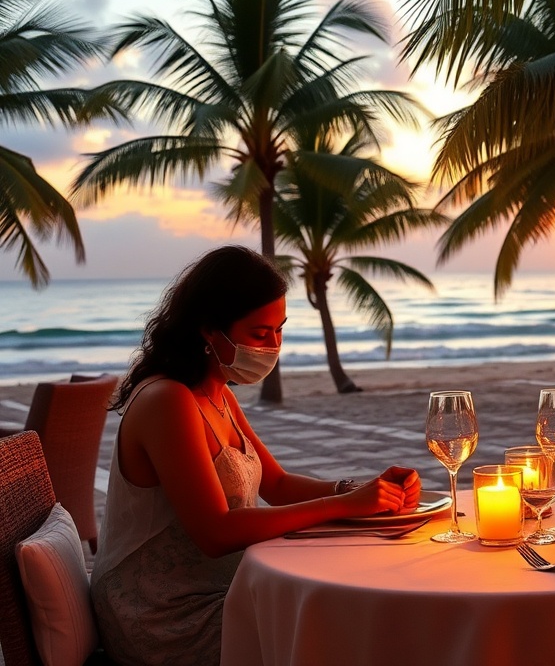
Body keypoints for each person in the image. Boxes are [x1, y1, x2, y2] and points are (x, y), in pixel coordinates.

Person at [91, 246, 421, 666]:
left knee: (355, 606)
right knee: (343, 631)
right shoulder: (167, 400)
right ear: (209, 330)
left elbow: (277, 485)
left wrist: (363, 491)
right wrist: (343, 505)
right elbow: (217, 532)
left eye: (280, 330)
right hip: (164, 615)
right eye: (259, 334)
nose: (273, 346)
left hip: (222, 589)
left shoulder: (218, 391)